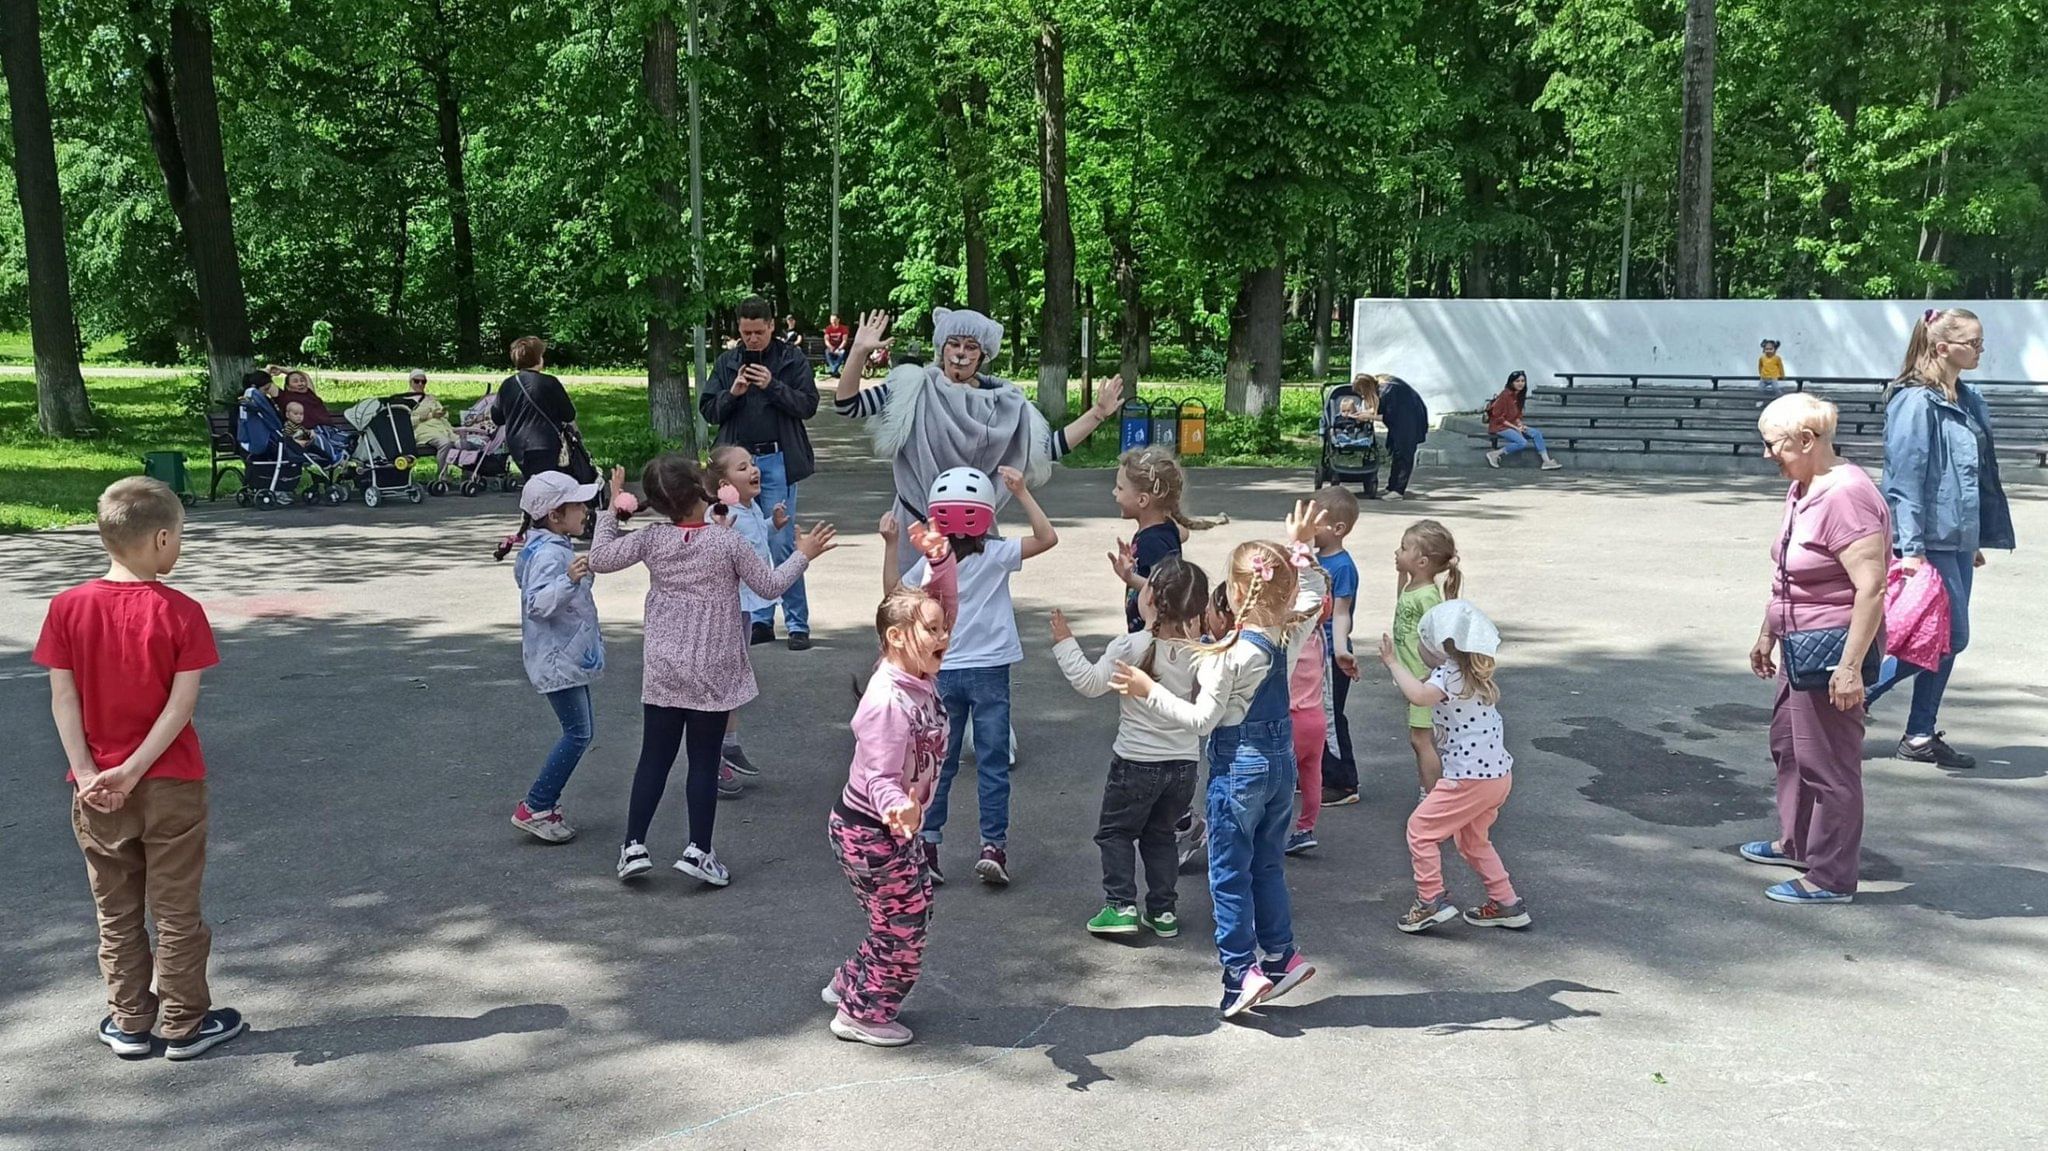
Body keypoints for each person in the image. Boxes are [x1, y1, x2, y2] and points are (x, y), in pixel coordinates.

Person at [33, 477, 246, 1060]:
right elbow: (180, 707)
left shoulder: (67, 607)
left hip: (95, 788)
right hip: (170, 780)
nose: (180, 547)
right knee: (176, 909)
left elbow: (64, 699)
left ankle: (129, 1021)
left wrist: (88, 771)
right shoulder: (181, 612)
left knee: (116, 908)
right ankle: (183, 1022)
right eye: (178, 537)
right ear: (159, 538)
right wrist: (132, 770)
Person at [1111, 501, 1328, 1018]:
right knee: (1268, 865)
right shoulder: (1286, 635)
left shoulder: (1227, 657)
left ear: (1232, 594)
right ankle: (1280, 957)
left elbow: (1200, 721)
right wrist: (1302, 547)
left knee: (1228, 875)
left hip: (1240, 771)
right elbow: (1316, 594)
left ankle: (1239, 975)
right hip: (1280, 771)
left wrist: (1147, 689)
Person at [593, 456, 837, 887]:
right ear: (703, 491)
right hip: (714, 665)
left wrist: (614, 509)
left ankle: (633, 845)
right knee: (703, 762)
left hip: (666, 667)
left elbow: (599, 558)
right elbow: (770, 586)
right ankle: (699, 851)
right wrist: (803, 555)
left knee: (654, 758)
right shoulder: (726, 543)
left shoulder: (652, 539)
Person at [1739, 394, 1889, 904]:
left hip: (1831, 651)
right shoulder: (1805, 485)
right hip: (1800, 645)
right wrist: (1768, 632)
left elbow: (1871, 588)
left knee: (1830, 764)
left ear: (1807, 441)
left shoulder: (1847, 494)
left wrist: (1849, 669)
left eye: (1772, 445)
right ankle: (1799, 842)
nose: (1766, 455)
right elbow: (1788, 573)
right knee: (1789, 746)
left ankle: (1830, 877)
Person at [835, 308, 1122, 572]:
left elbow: (1049, 448)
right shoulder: (912, 387)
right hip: (916, 528)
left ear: (983, 355)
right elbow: (848, 405)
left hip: (975, 536)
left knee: (970, 617)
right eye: (954, 343)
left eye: (970, 347)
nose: (961, 353)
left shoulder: (1008, 405)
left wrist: (1097, 414)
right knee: (914, 616)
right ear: (942, 348)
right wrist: (859, 351)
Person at [823, 519, 957, 1048]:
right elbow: (878, 774)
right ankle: (863, 1012)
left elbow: (941, 601)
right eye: (933, 630)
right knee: (905, 921)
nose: (944, 635)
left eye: (943, 627)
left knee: (901, 910)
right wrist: (898, 806)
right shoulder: (888, 700)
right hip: (871, 830)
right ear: (896, 638)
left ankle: (850, 982)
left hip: (889, 828)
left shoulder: (919, 669)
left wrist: (940, 559)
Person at [1864, 307, 2015, 769]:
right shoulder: (1915, 401)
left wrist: (1974, 538)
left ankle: (1919, 734)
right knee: (1950, 638)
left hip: (1957, 539)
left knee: (1939, 641)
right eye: (1973, 343)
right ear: (1942, 346)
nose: (1981, 350)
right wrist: (1910, 550)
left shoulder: (1968, 399)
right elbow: (1905, 481)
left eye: (1981, 342)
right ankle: (1851, 692)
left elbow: (1975, 476)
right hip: (1926, 541)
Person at [896, 466, 1057, 887]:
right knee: (992, 763)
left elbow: (897, 594)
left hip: (945, 670)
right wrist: (1021, 492)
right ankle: (993, 847)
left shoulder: (932, 563)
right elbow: (1047, 537)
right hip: (990, 670)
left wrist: (891, 544)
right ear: (985, 515)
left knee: (940, 764)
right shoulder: (997, 553)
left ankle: (928, 846)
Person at [1052, 556, 1209, 939]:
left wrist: (1064, 644)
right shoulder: (1203, 652)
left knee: (1116, 833)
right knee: (1161, 836)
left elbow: (1089, 683)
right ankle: (1163, 911)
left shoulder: (1131, 645)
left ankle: (1121, 905)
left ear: (1151, 598)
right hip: (1184, 765)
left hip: (1136, 762)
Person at [1379, 600, 1529, 933]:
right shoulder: (1468, 673)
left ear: (1440, 648)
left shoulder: (1448, 675)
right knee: (1474, 841)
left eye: (1423, 640)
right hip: (1496, 777)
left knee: (1420, 830)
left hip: (1468, 777)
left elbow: (1419, 696)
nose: (1419, 647)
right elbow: (1424, 687)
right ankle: (1506, 902)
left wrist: (1391, 662)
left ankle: (1430, 899)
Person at [700, 296, 822, 651]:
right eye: (746, 332)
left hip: (776, 459)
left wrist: (773, 385)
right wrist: (733, 393)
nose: (752, 339)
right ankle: (760, 619)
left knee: (781, 543)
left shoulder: (790, 358)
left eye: (758, 332)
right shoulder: (728, 361)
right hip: (735, 465)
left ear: (772, 326)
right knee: (745, 542)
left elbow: (808, 405)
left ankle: (797, 622)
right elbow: (709, 410)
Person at [507, 472, 606, 843]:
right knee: (578, 733)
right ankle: (537, 805)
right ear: (554, 515)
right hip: (557, 659)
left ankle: (542, 804)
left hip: (565, 656)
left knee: (580, 731)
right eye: (578, 505)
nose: (585, 511)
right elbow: (538, 604)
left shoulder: (549, 545)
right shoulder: (550, 553)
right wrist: (569, 579)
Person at [707, 444, 793, 793]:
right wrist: (722, 530)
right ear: (723, 484)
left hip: (745, 606)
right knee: (726, 682)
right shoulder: (724, 515)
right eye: (742, 467)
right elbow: (718, 550)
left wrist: (773, 525)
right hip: (730, 607)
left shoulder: (750, 507)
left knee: (736, 679)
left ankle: (728, 745)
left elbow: (756, 541)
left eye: (753, 464)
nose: (753, 470)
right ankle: (714, 758)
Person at [1108, 446, 1220, 633]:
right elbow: (1183, 532)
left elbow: (1165, 591)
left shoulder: (1152, 543)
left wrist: (1128, 577)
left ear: (1142, 500)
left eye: (1119, 488)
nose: (1114, 493)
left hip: (1154, 633)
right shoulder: (1166, 527)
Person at [1393, 520, 1461, 800]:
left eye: (1404, 548)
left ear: (1421, 561)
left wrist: (1432, 676)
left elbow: (1439, 639)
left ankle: (1432, 797)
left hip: (1424, 679)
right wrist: (1401, 571)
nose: (1397, 552)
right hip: (1414, 677)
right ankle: (1432, 794)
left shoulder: (1428, 596)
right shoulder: (1413, 587)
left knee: (1420, 740)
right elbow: (1400, 599)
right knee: (1418, 739)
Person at [1313, 487, 1364, 808]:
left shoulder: (1342, 567)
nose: (1308, 527)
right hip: (1314, 653)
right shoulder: (1317, 559)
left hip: (1331, 654)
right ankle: (1318, 774)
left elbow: (1342, 612)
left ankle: (1343, 781)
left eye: (1314, 521)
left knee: (1330, 717)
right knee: (1313, 715)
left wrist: (1341, 650)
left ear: (1337, 529)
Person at [491, 337, 580, 484]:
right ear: (538, 358)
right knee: (547, 488)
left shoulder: (508, 385)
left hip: (518, 446)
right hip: (545, 444)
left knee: (533, 485)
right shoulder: (549, 382)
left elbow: (497, 417)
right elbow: (569, 414)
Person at [1484, 371, 1564, 471]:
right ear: (1511, 382)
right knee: (1522, 442)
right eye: (1517, 381)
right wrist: (1515, 428)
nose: (1520, 383)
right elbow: (1498, 417)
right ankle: (1495, 454)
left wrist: (1520, 425)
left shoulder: (1519, 395)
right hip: (1500, 426)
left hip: (1512, 424)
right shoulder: (1505, 395)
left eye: (1523, 381)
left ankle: (1546, 461)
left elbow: (1517, 415)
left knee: (1536, 433)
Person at [1378, 373, 1429, 499]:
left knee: (1404, 456)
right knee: (1398, 455)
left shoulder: (1390, 391)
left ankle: (1398, 490)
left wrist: (1369, 416)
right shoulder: (1393, 387)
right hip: (1405, 423)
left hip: (1407, 425)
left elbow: (1389, 415)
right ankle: (1392, 487)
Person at [395, 370, 457, 450]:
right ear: (410, 382)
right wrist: (422, 418)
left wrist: (441, 413)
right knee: (445, 443)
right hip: (425, 432)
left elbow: (446, 415)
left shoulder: (431, 398)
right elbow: (403, 422)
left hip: (444, 429)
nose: (420, 384)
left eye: (423, 382)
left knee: (466, 444)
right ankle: (443, 463)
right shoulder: (404, 400)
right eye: (417, 381)